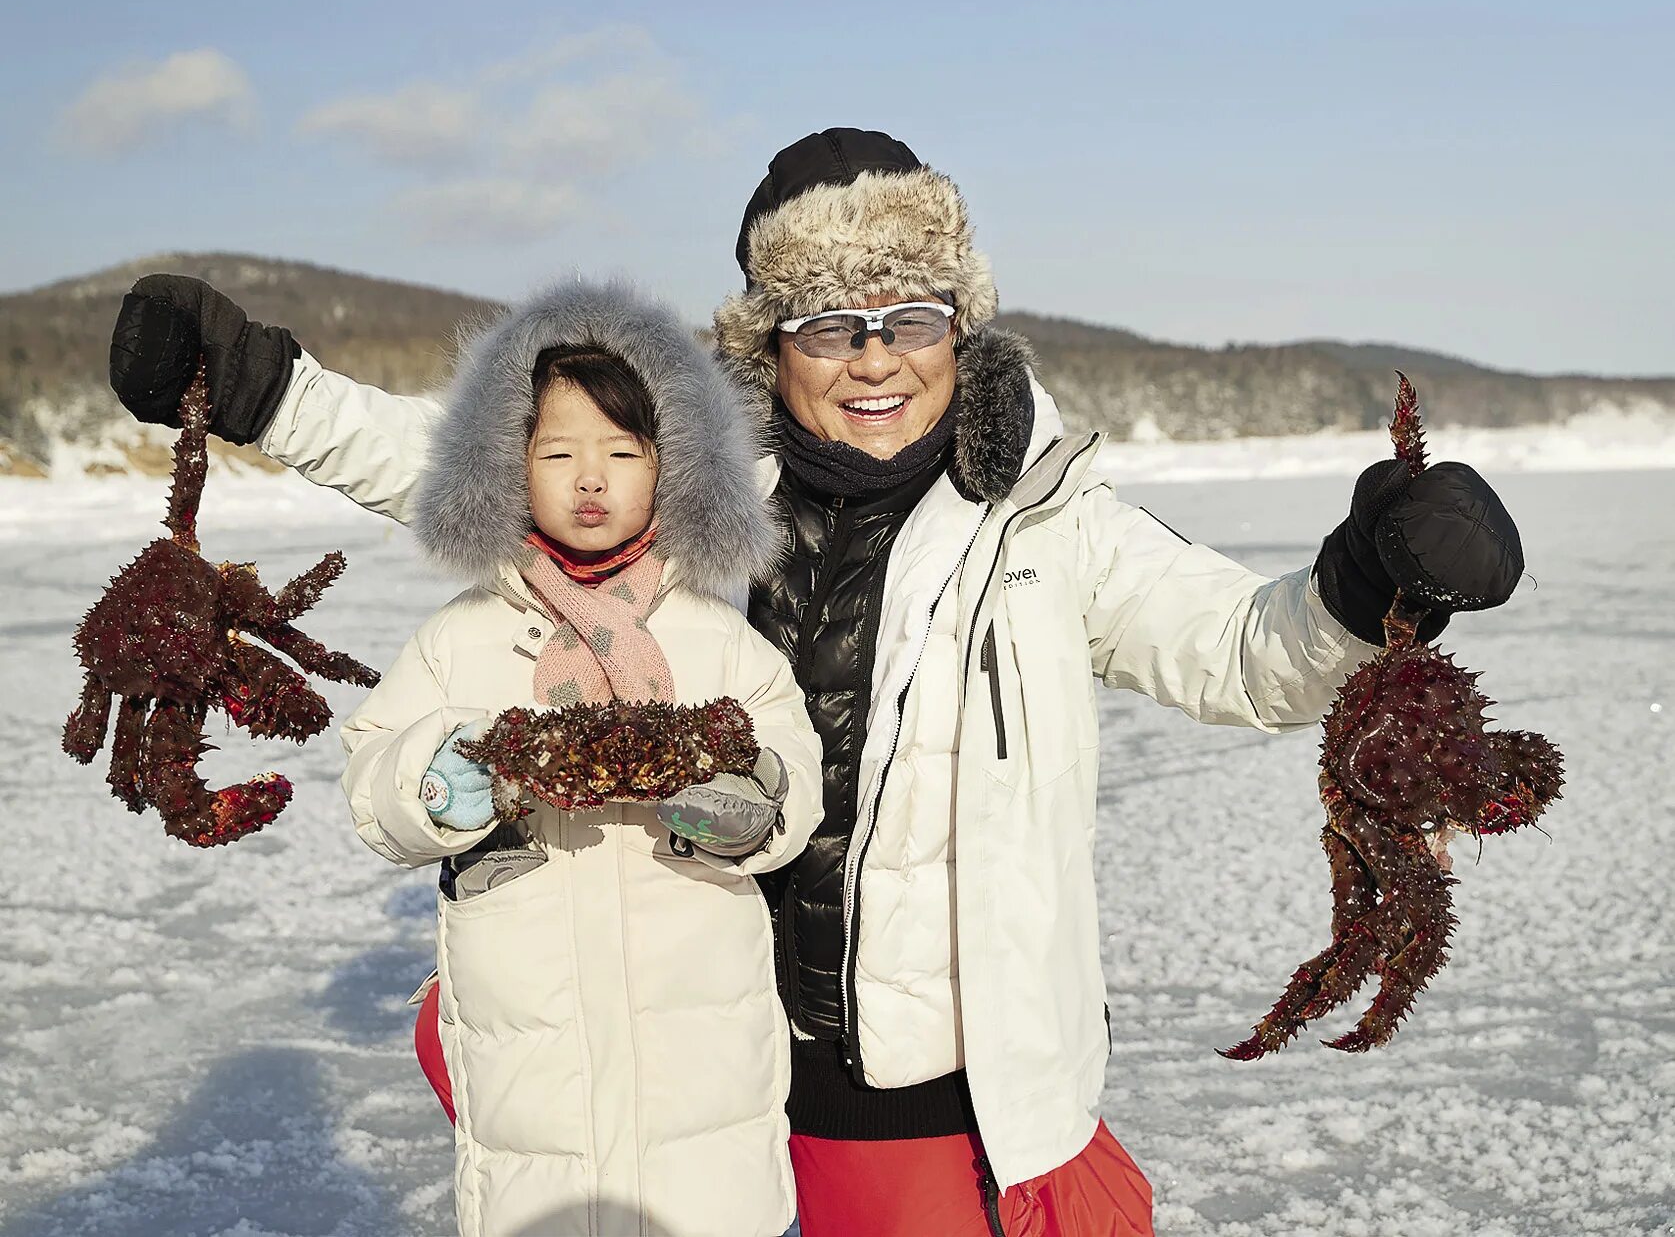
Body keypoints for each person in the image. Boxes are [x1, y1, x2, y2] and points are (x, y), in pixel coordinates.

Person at [110, 129, 1524, 1237]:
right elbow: (491, 460)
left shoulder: (1047, 519)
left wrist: (1366, 578)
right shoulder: (698, 491)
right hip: (682, 1038)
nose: (870, 360)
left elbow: (1237, 646)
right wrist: (267, 389)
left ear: (957, 328)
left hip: (910, 1089)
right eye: (823, 325)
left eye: (906, 317)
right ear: (767, 344)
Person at [336, 280, 823, 1237]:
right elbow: (371, 772)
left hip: (700, 1038)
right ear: (505, 466)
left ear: (672, 468)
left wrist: (757, 805)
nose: (588, 479)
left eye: (620, 452)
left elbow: (790, 761)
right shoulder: (461, 636)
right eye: (557, 453)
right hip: (531, 1037)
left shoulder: (719, 638)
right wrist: (432, 785)